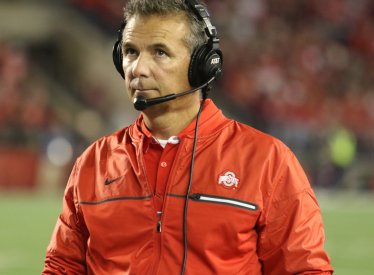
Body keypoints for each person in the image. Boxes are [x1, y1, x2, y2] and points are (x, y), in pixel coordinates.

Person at [42, 0, 334, 274]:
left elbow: (304, 268)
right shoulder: (94, 161)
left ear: (202, 65)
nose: (138, 69)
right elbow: (62, 266)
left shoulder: (268, 160)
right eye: (131, 51)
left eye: (160, 52)